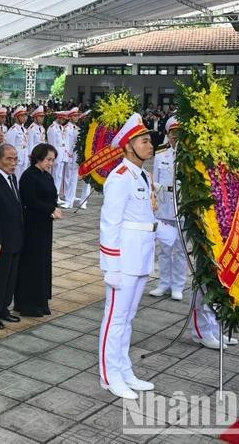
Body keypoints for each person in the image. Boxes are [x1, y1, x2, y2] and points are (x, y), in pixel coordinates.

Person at [97, 113, 176, 399]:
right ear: (129, 146)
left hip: (141, 256)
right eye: (144, 141)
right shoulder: (119, 178)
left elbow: (146, 217)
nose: (150, 145)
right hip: (124, 259)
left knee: (128, 319)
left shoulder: (142, 174)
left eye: (150, 141)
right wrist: (111, 265)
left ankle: (124, 369)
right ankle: (109, 375)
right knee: (115, 319)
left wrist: (170, 237)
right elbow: (110, 224)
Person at [16, 143, 61, 317]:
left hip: (45, 224)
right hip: (32, 225)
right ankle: (28, 303)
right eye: (48, 159)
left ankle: (41, 300)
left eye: (52, 160)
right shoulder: (29, 176)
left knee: (43, 262)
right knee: (32, 263)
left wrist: (53, 206)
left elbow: (53, 195)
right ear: (38, 157)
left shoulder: (46, 176)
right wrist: (49, 209)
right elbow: (30, 200)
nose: (50, 163)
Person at [0, 144, 24, 329]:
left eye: (15, 158)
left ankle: (4, 309)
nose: (13, 163)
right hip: (1, 239)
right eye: (9, 159)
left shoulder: (12, 178)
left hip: (15, 236)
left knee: (11, 277)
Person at [149, 116, 186, 300]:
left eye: (179, 132)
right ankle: (164, 283)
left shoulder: (189, 153)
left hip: (181, 204)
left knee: (180, 248)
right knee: (164, 248)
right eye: (173, 133)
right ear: (167, 133)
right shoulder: (161, 152)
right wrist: (154, 199)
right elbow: (155, 179)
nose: (176, 136)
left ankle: (178, 285)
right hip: (164, 205)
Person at [5, 107, 29, 180]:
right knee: (16, 177)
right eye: (22, 116)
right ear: (17, 117)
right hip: (17, 157)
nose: (25, 118)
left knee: (23, 178)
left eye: (25, 115)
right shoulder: (13, 130)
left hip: (24, 156)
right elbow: (9, 146)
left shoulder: (24, 130)